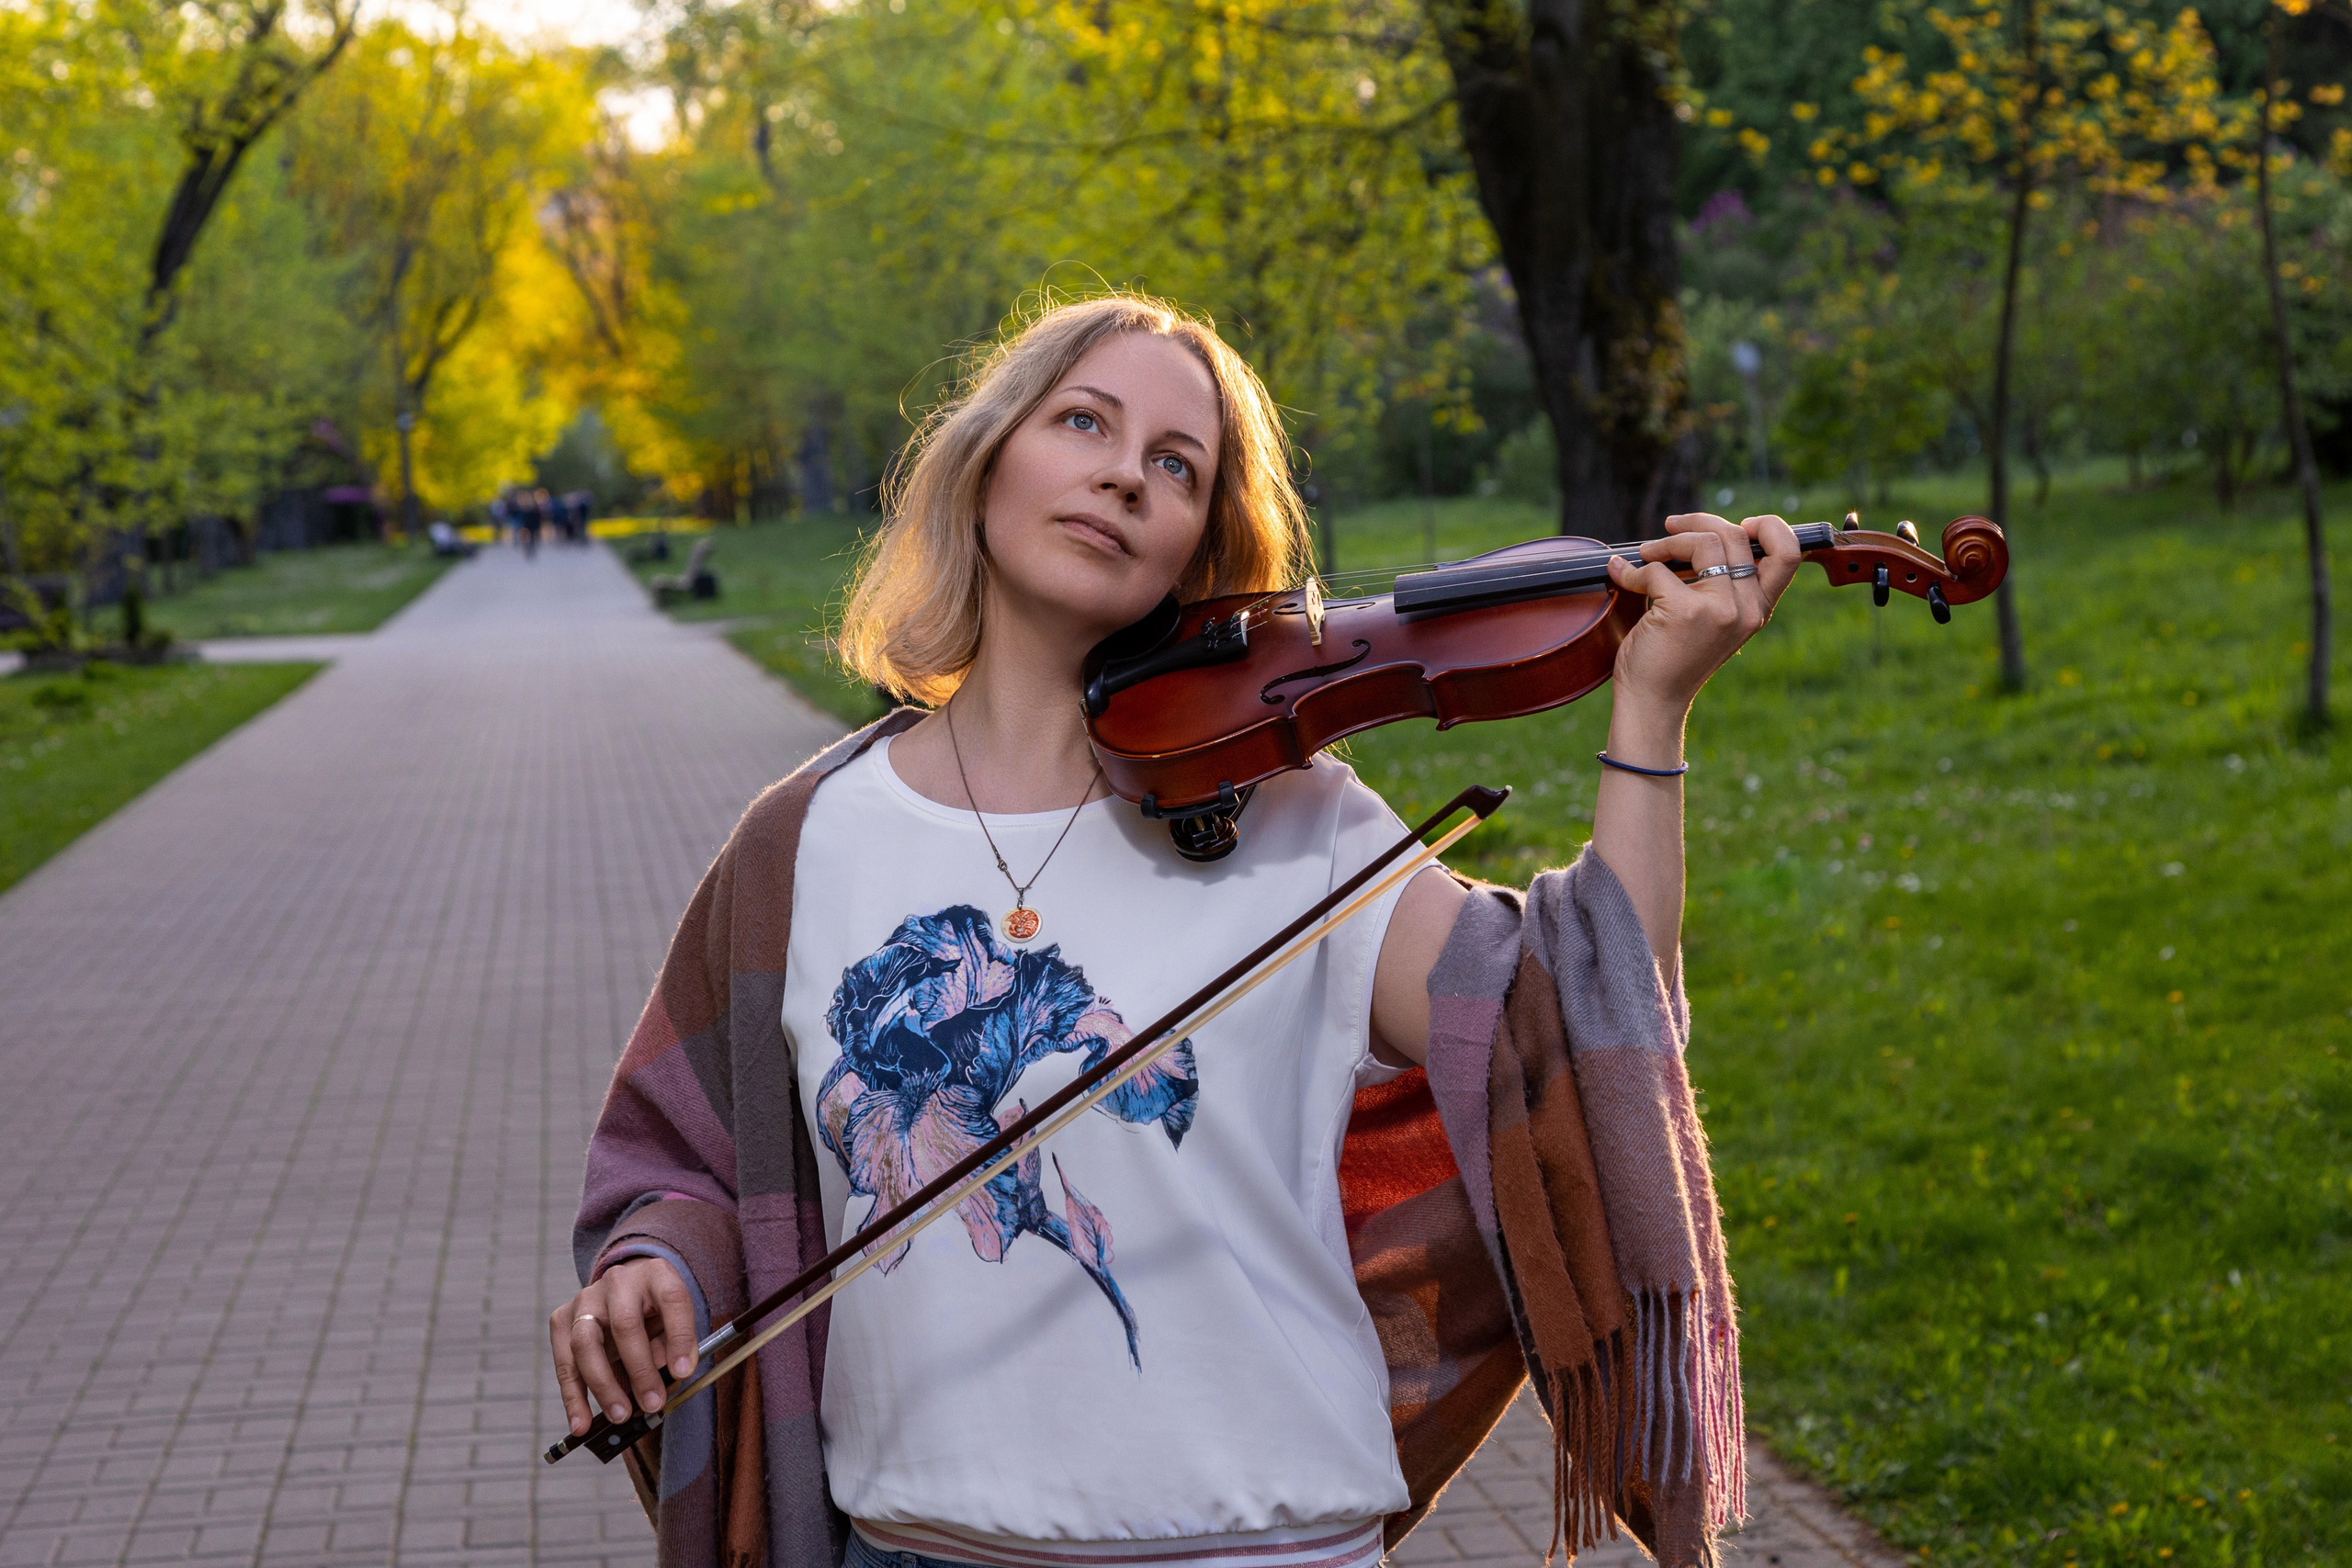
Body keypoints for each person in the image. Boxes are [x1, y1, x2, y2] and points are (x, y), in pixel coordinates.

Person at [554, 294, 1801, 1568]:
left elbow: (1588, 1014)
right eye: (1083, 421)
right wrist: (653, 1265)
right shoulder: (803, 842)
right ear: (984, 459)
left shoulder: (1296, 821)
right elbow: (686, 1163)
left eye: (1175, 465)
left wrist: (1651, 714)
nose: (1123, 475)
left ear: (1199, 542)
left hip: (1260, 1545)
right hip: (915, 1547)